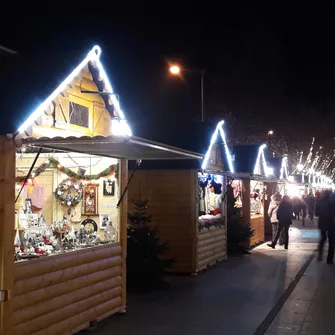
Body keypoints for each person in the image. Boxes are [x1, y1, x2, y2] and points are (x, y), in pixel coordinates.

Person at [315, 190, 335, 264]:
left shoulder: (319, 201)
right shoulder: (333, 201)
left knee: (322, 238)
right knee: (332, 241)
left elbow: (316, 213)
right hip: (331, 222)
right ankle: (329, 259)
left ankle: (320, 254)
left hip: (322, 222)